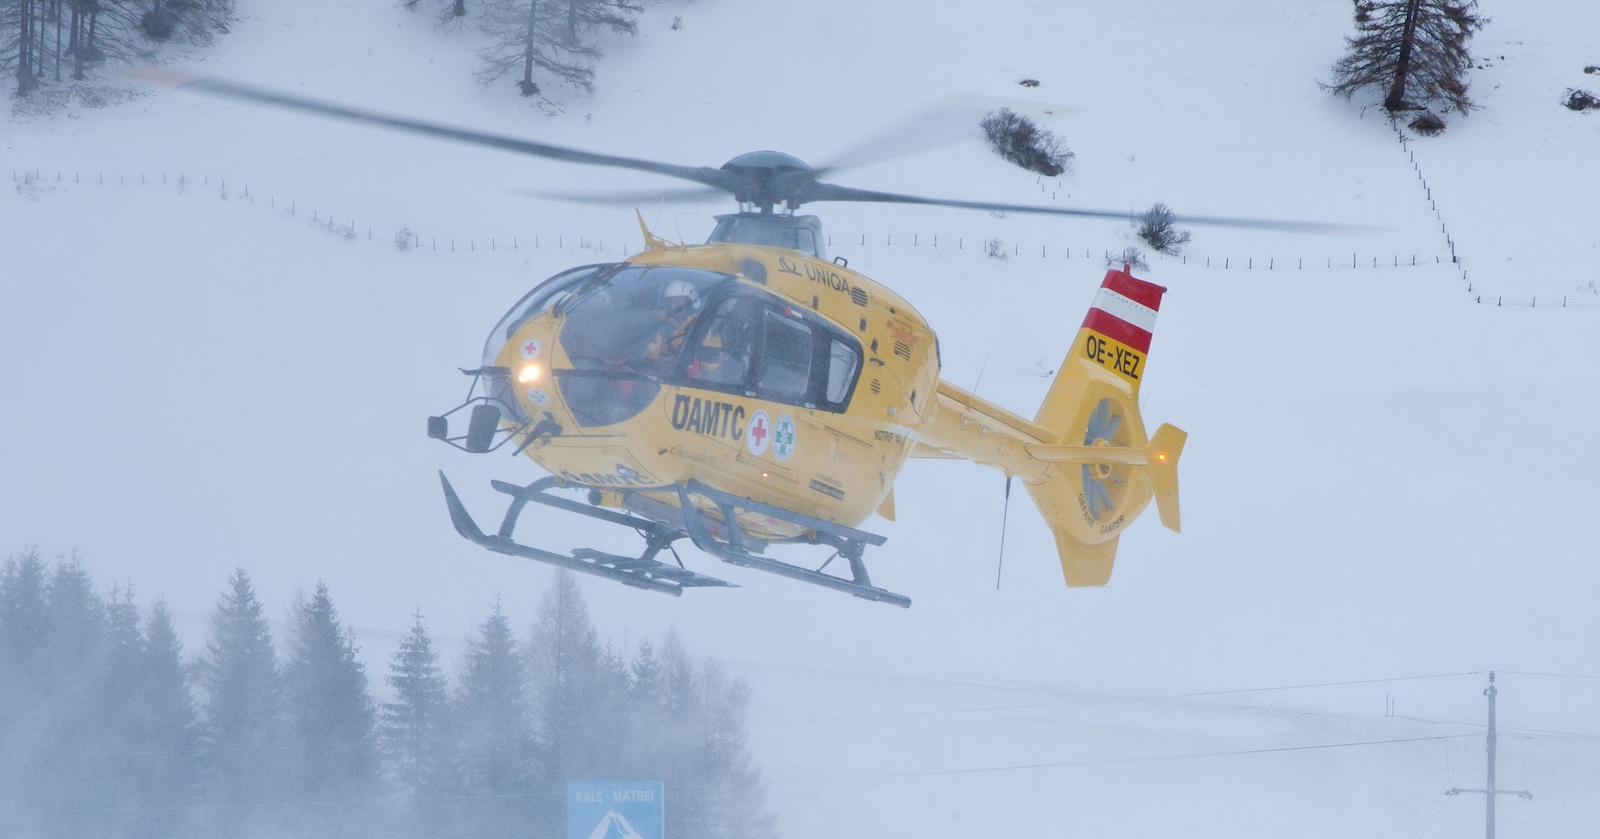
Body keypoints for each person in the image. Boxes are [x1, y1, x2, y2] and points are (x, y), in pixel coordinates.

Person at [642, 279, 700, 369]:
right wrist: (656, 362)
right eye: (673, 301)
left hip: (692, 380)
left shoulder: (700, 324)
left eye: (682, 300)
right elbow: (649, 353)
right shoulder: (658, 322)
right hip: (660, 376)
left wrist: (681, 360)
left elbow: (712, 364)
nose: (677, 305)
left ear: (693, 302)